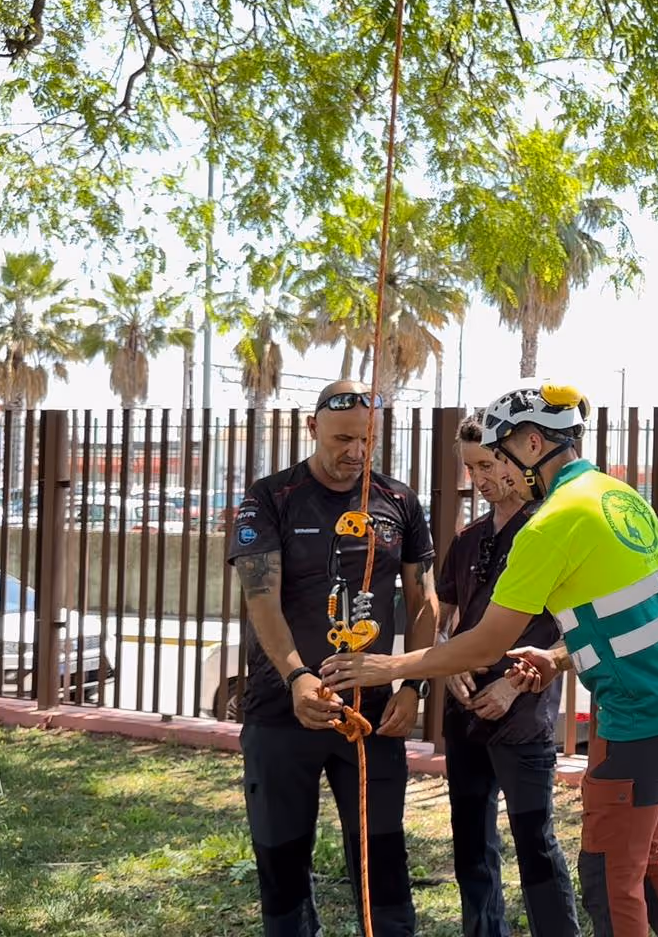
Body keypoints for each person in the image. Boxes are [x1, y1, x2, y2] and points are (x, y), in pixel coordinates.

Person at [322, 382, 658, 937]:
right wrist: (559, 660)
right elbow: (633, 611)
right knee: (648, 851)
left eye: (500, 455)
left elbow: (485, 643)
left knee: (608, 871)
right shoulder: (614, 494)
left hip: (641, 711)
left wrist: (387, 667)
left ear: (533, 445)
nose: (495, 472)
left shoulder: (551, 522)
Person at [227, 379, 438, 937]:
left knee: (381, 856)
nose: (356, 452)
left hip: (372, 714)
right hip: (282, 708)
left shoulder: (398, 501)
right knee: (281, 852)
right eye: (343, 438)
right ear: (312, 427)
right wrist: (296, 675)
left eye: (367, 439)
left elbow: (425, 604)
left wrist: (411, 684)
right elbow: (260, 598)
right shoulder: (271, 497)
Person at [436, 411, 579, 937]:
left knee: (535, 842)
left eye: (489, 462)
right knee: (470, 839)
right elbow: (446, 617)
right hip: (464, 710)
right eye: (471, 467)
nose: (481, 477)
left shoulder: (549, 529)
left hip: (522, 713)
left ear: (513, 456)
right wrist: (447, 658)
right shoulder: (468, 537)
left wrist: (512, 682)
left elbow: (578, 630)